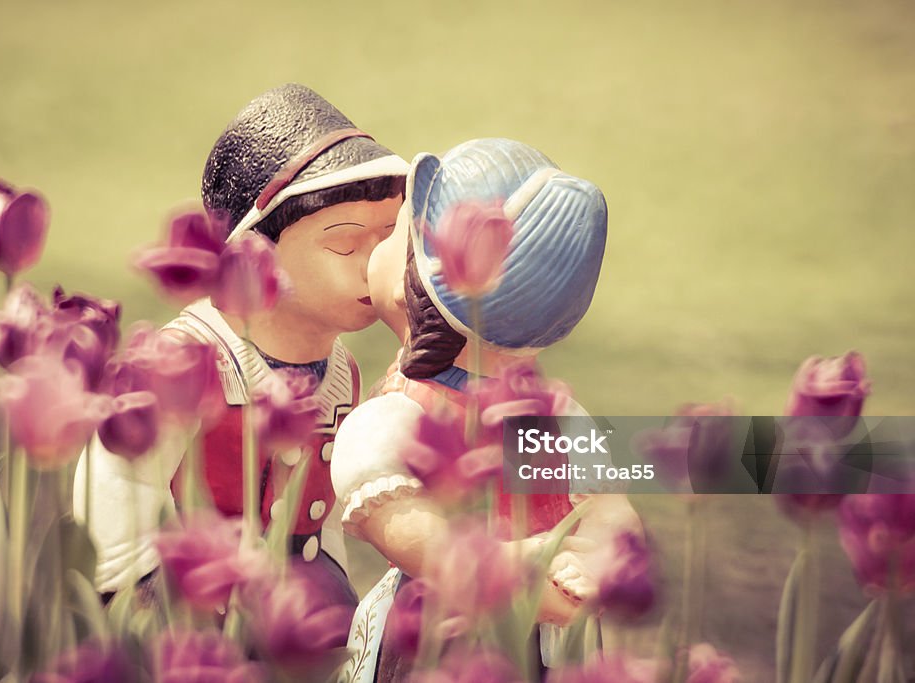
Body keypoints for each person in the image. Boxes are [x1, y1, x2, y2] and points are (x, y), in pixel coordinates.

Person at [73, 84, 407, 611]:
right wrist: (135, 586)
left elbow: (320, 509)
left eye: (388, 237)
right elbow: (121, 482)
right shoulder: (188, 360)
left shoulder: (340, 371)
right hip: (196, 595)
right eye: (344, 242)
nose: (374, 262)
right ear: (256, 255)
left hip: (303, 597)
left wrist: (336, 582)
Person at [330, 138, 643, 681]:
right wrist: (508, 566)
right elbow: (404, 529)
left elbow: (611, 509)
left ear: (414, 281)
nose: (374, 251)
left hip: (532, 641)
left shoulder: (553, 416)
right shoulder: (402, 416)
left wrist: (597, 561)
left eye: (390, 234)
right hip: (437, 635)